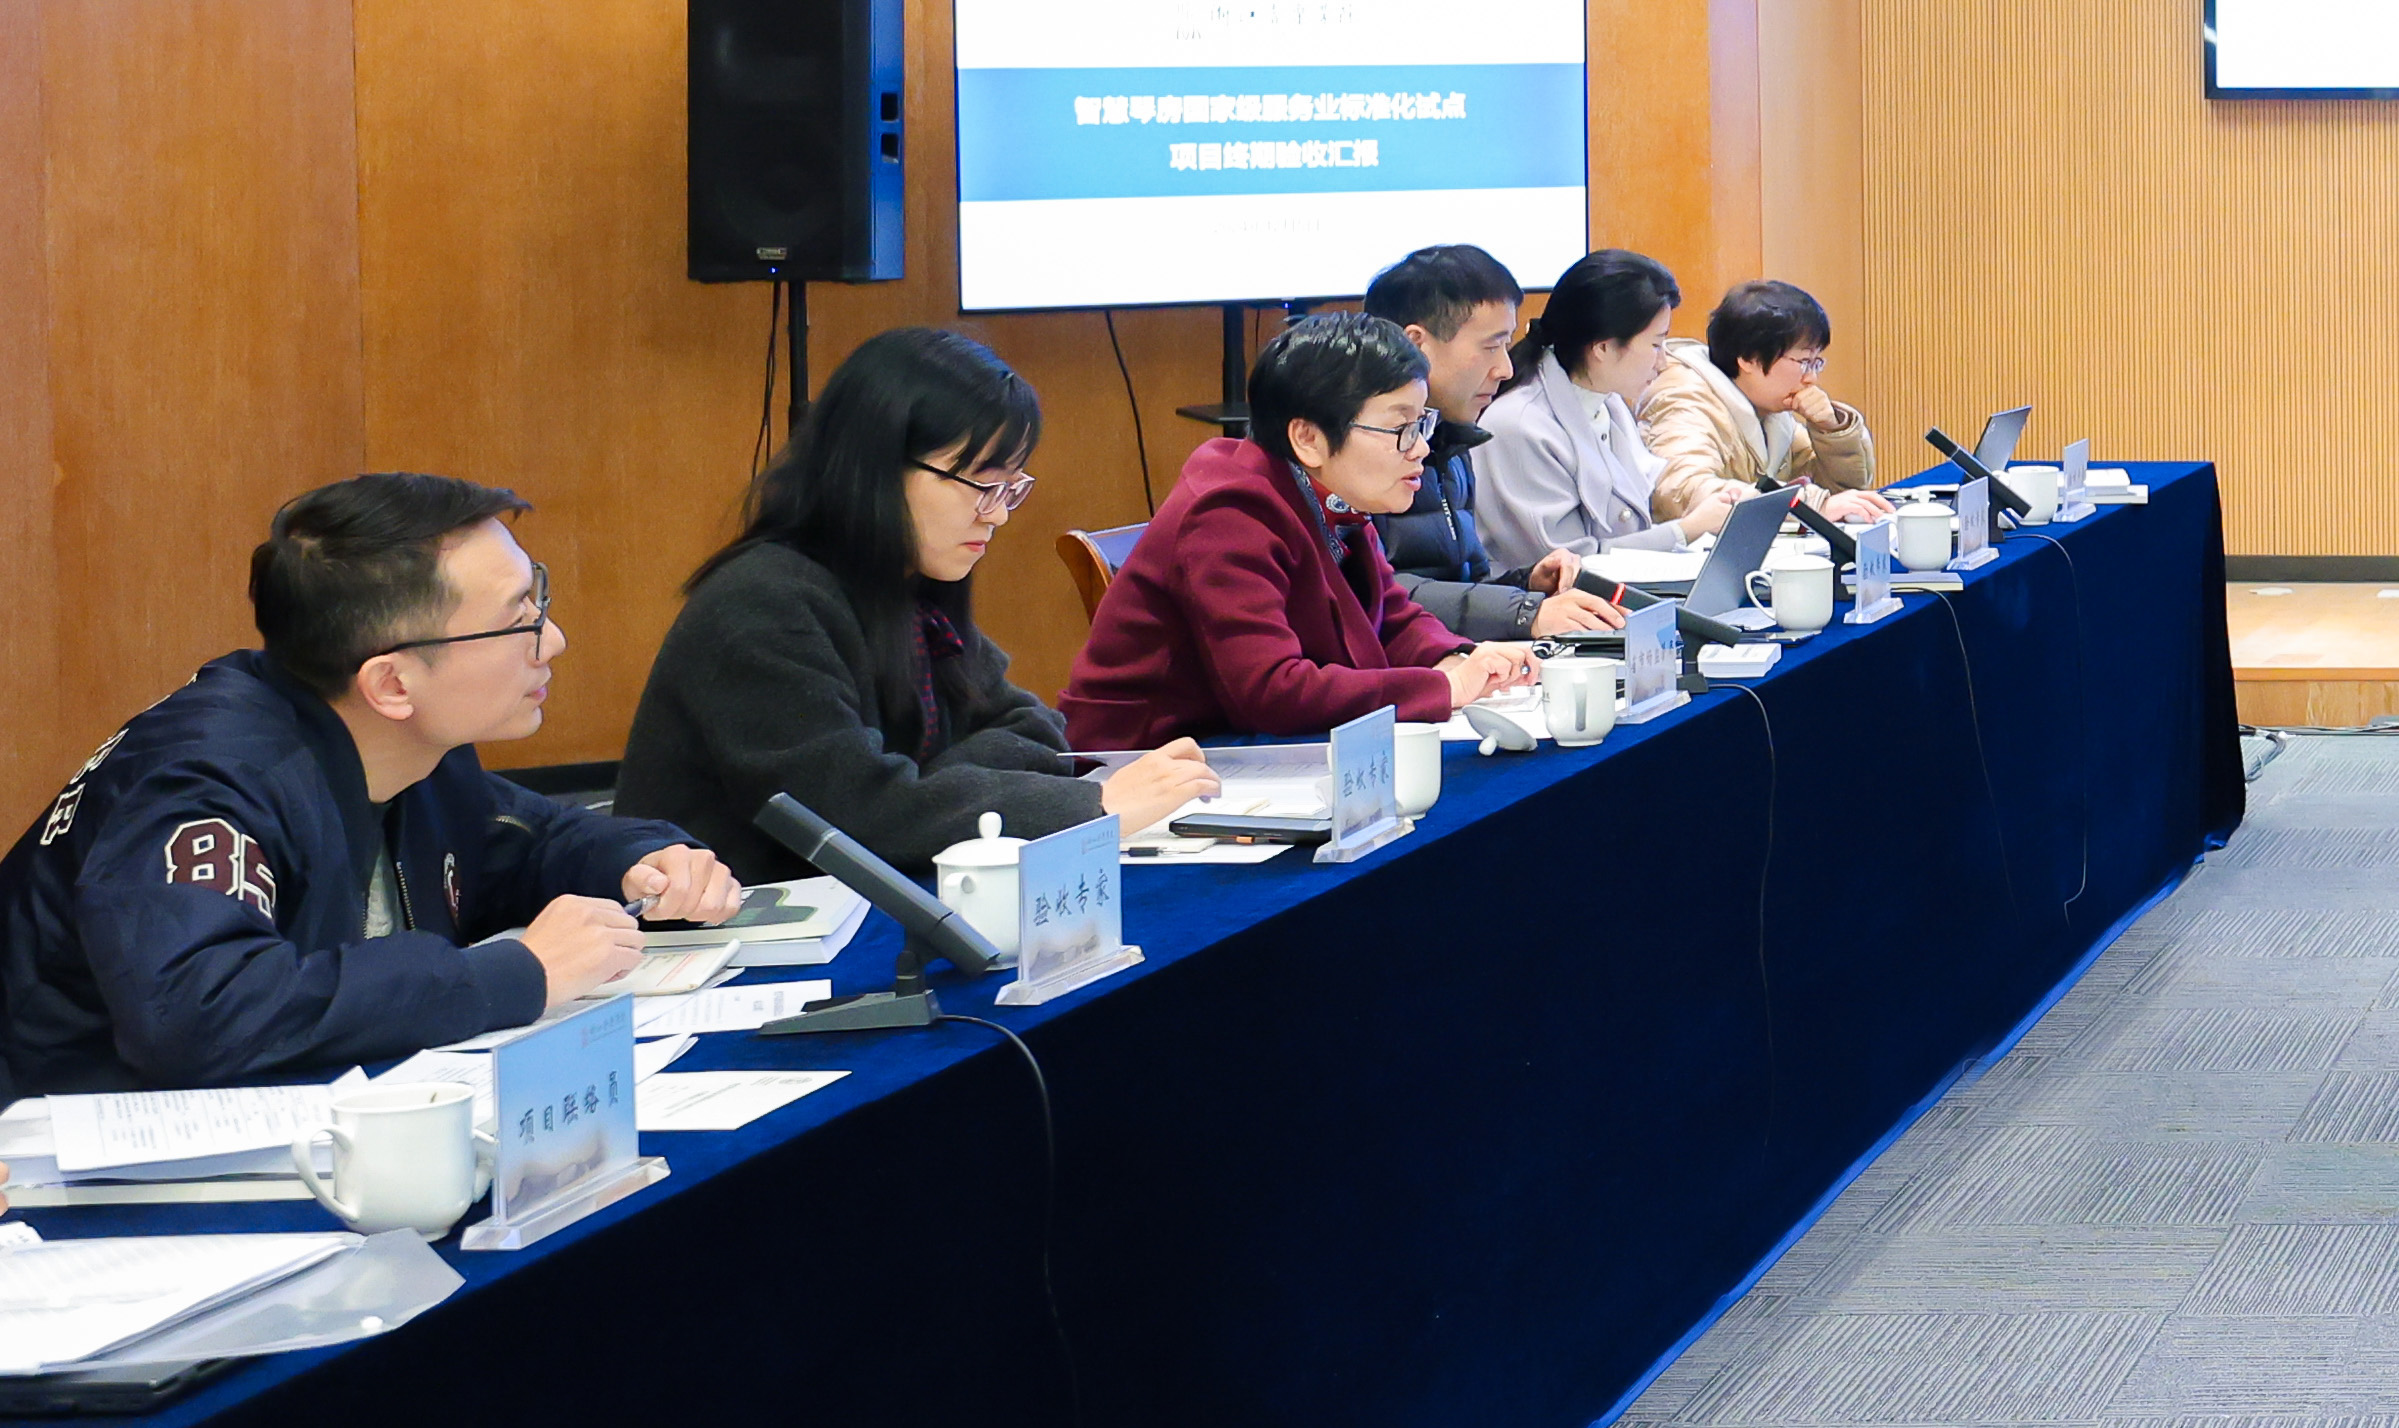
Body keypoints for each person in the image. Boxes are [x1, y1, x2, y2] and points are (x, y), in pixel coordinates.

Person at [0, 473, 739, 1095]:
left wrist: (639, 860)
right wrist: (514, 976)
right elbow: (198, 1012)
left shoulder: (401, 740)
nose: (553, 641)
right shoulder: (205, 784)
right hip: (65, 1164)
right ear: (391, 683)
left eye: (537, 598)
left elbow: (519, 838)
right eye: (518, 619)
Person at [622, 330, 1219, 873]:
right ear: (877, 468)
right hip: (736, 934)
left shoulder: (906, 581)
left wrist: (929, 786)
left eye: (1011, 487)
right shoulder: (762, 604)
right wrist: (1093, 805)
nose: (998, 515)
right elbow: (858, 819)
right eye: (981, 484)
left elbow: (1033, 725)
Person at [1060, 314, 1536, 748]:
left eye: (1421, 424)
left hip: (1247, 750)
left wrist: (1454, 659)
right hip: (1149, 762)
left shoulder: (1329, 492)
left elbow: (1391, 616)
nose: (1420, 450)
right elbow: (1271, 691)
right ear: (1308, 438)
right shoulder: (1228, 513)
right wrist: (1443, 687)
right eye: (1400, 429)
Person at [1357, 246, 1617, 648]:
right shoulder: (1359, 446)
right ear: (1416, 344)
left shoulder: (1452, 440)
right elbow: (1372, 596)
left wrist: (1529, 583)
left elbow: (1464, 585)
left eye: (1506, 345)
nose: (1506, 369)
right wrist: (1523, 610)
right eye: (1490, 346)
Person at [1471, 245, 1683, 571]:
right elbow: (1563, 565)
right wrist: (1685, 531)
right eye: (1656, 344)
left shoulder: (1609, 403)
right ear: (1603, 347)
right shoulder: (1519, 424)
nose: (1663, 362)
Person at [1643, 280, 1888, 532]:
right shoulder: (1684, 401)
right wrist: (1813, 506)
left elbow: (1845, 493)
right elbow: (1684, 491)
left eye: (1816, 363)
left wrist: (1831, 430)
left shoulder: (1770, 409)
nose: (1811, 378)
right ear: (1749, 358)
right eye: (1804, 362)